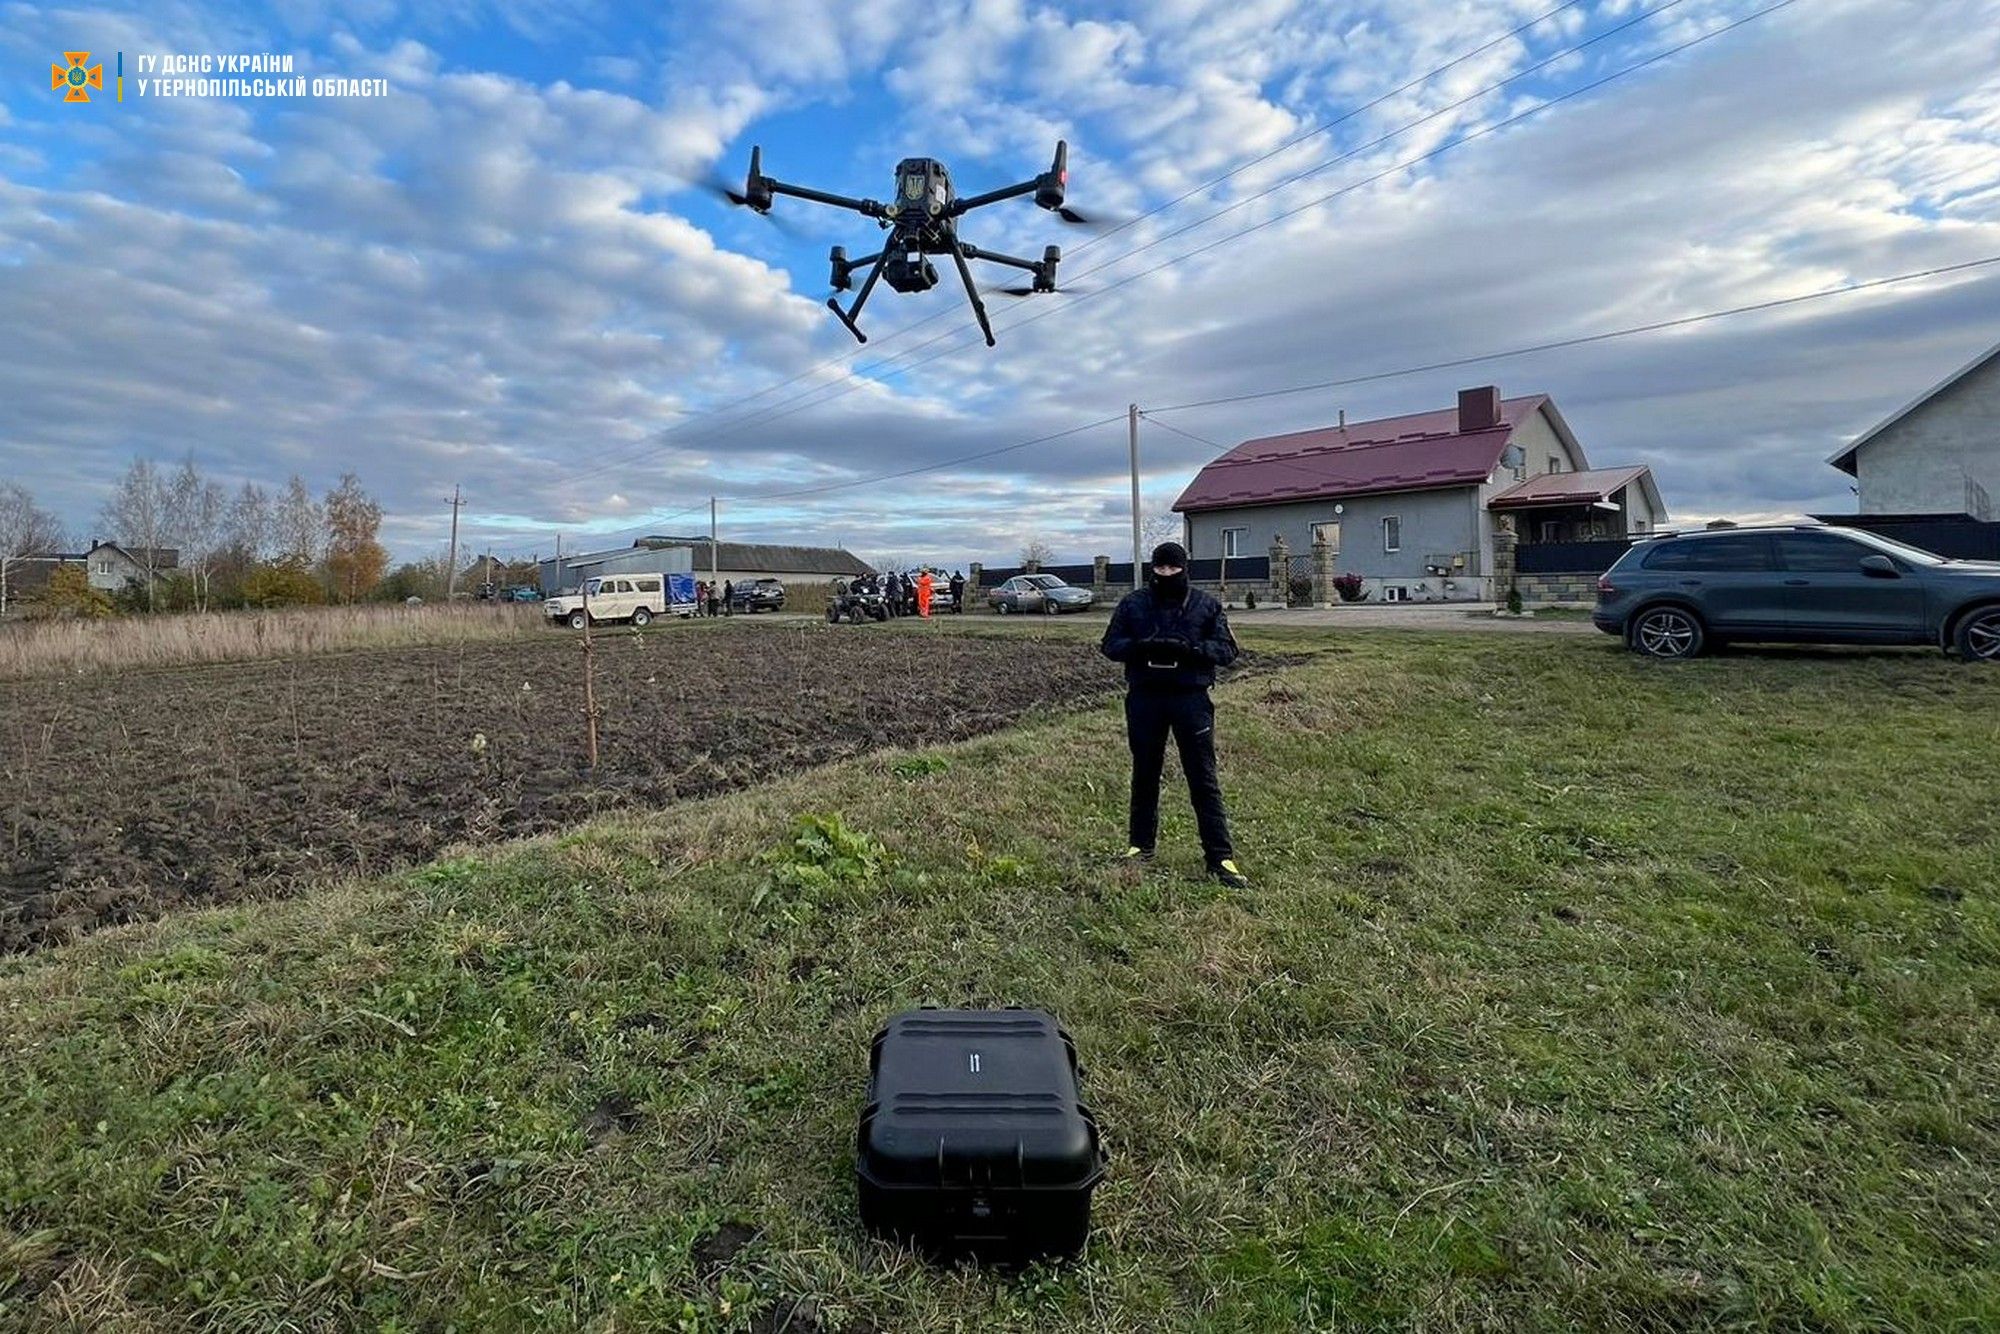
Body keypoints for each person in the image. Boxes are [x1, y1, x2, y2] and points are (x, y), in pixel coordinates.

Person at [1099, 541, 1247, 889]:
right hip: (1145, 698)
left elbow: (1228, 649)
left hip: (1190, 699)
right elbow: (1109, 644)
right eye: (1161, 569)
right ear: (1153, 569)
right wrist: (1140, 647)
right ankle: (1140, 846)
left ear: (1184, 568)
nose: (1166, 574)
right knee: (1145, 774)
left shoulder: (1205, 605)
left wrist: (1193, 650)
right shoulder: (1133, 603)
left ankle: (1219, 856)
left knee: (1203, 778)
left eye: (1173, 569)